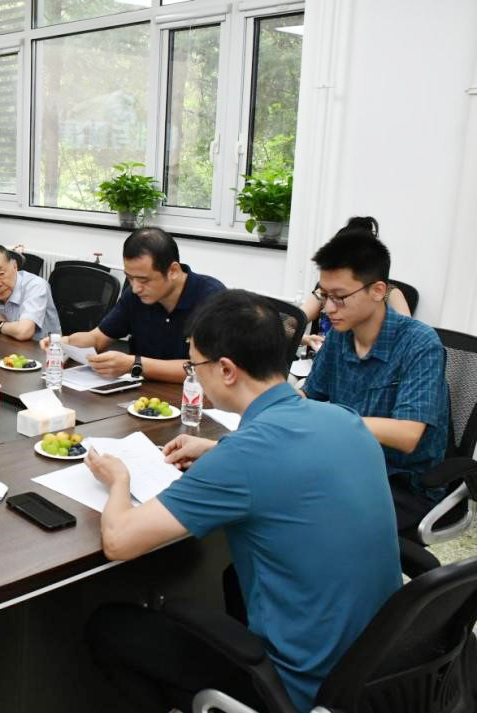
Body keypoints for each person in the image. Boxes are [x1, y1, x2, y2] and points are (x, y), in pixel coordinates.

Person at [84, 289, 400, 712]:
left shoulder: (243, 457)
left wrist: (118, 478)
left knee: (110, 626)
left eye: (195, 366)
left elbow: (119, 541)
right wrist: (217, 450)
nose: (195, 376)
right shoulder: (343, 419)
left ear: (227, 370)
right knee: (235, 577)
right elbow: (287, 462)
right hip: (379, 670)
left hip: (302, 688)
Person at [301, 217, 449, 531]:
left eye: (339, 297)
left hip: (399, 482)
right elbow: (309, 395)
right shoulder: (340, 336)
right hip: (346, 463)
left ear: (378, 291)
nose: (328, 308)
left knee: (309, 518)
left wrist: (328, 417)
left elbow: (407, 435)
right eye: (324, 295)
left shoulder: (420, 343)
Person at [40, 227, 224, 383]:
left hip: (192, 400)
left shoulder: (211, 299)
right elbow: (97, 339)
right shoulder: (136, 295)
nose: (135, 288)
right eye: (129, 277)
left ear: (173, 271)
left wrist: (134, 364)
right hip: (140, 396)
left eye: (144, 280)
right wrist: (65, 342)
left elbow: (205, 370)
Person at [299, 217, 410, 351]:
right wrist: (306, 339)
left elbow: (406, 339)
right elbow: (293, 322)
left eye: (340, 296)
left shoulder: (391, 294)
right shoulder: (324, 291)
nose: (329, 308)